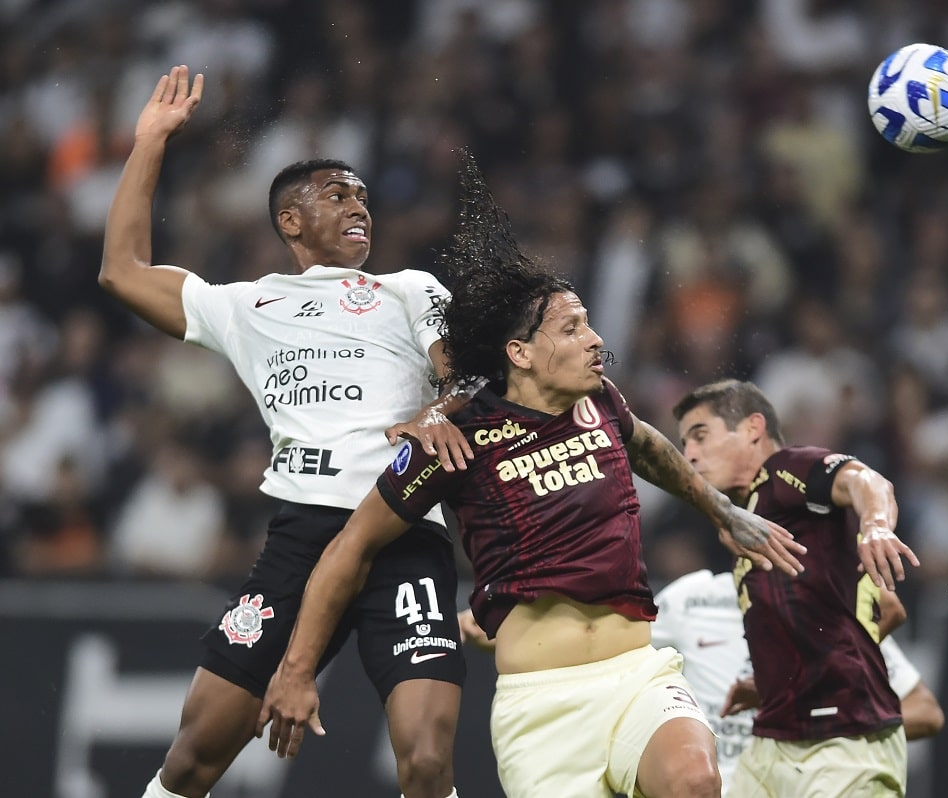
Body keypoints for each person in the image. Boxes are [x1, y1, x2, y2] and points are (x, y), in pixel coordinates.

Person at [255, 153, 807, 798]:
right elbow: (351, 547)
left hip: (639, 676)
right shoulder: (456, 439)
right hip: (543, 707)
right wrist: (296, 669)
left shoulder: (600, 403)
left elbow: (647, 447)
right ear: (519, 353)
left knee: (693, 779)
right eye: (573, 329)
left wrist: (720, 508)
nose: (596, 340)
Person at [100, 66, 473, 798]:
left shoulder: (408, 290)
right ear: (290, 221)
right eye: (338, 194)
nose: (359, 204)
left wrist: (437, 409)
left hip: (403, 532)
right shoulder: (245, 306)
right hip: (303, 535)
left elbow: (463, 377)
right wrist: (149, 143)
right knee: (194, 756)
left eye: (363, 195)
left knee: (427, 763)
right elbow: (121, 271)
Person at [672, 378, 920, 797]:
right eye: (684, 443)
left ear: (753, 428)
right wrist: (784, 674)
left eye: (700, 436)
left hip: (844, 739)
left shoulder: (786, 471)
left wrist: (876, 524)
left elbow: (866, 481)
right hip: (773, 740)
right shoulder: (746, 521)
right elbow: (888, 608)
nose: (688, 454)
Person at [650, 569, 944, 793]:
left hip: (808, 786)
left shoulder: (827, 609)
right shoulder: (692, 599)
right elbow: (623, 662)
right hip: (717, 787)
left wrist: (811, 710)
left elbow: (925, 712)